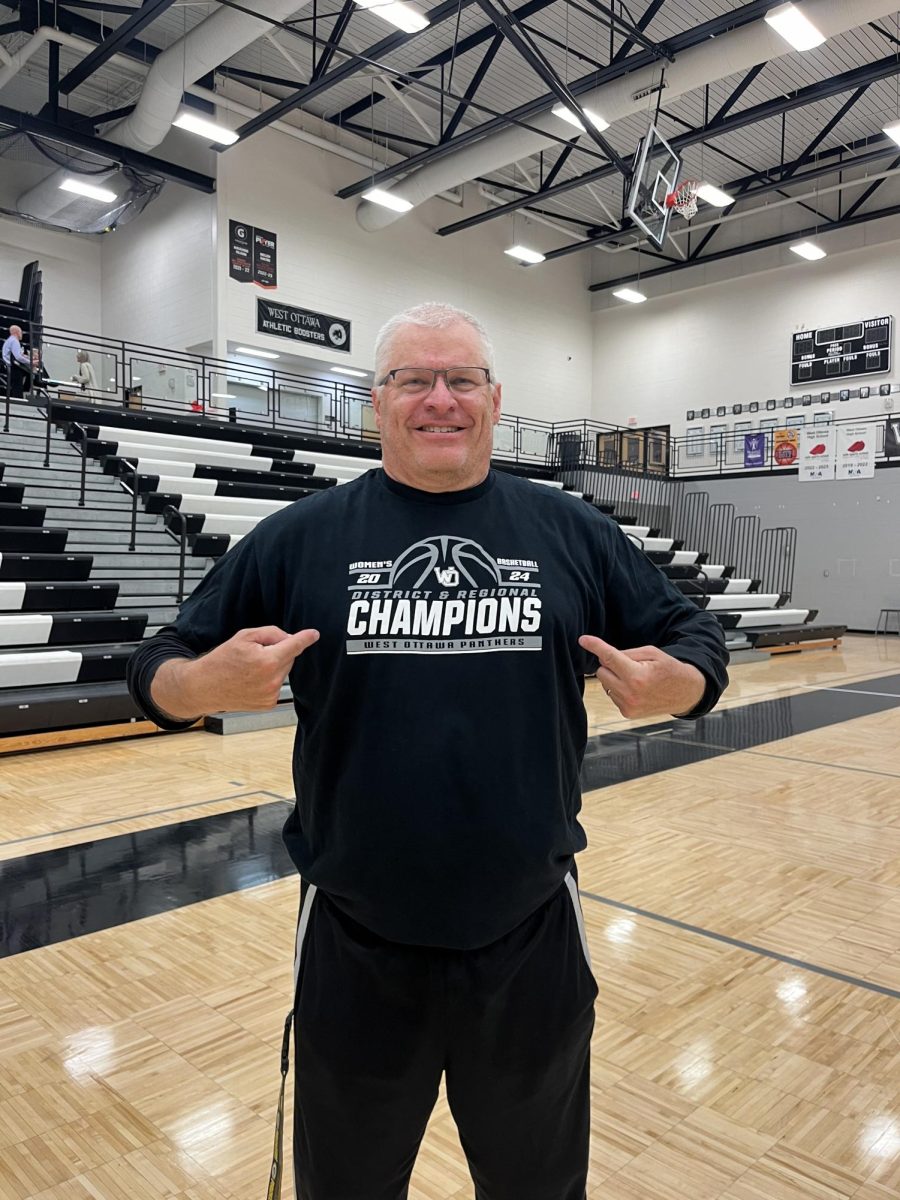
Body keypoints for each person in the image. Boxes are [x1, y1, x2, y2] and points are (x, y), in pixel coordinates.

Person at [127, 302, 728, 1200]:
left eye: (461, 380)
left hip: (530, 933)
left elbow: (696, 638)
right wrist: (197, 688)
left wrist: (683, 685)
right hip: (354, 941)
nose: (439, 399)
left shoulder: (569, 532)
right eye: (414, 380)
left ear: (495, 399)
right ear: (378, 402)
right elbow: (156, 664)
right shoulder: (303, 538)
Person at [2, 324, 33, 398]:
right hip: (14, 368)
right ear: (16, 332)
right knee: (17, 387)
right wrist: (30, 362)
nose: (22, 334)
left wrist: (28, 358)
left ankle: (25, 390)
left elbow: (19, 355)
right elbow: (18, 357)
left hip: (11, 367)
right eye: (21, 332)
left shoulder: (10, 340)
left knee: (27, 375)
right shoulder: (14, 341)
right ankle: (24, 394)